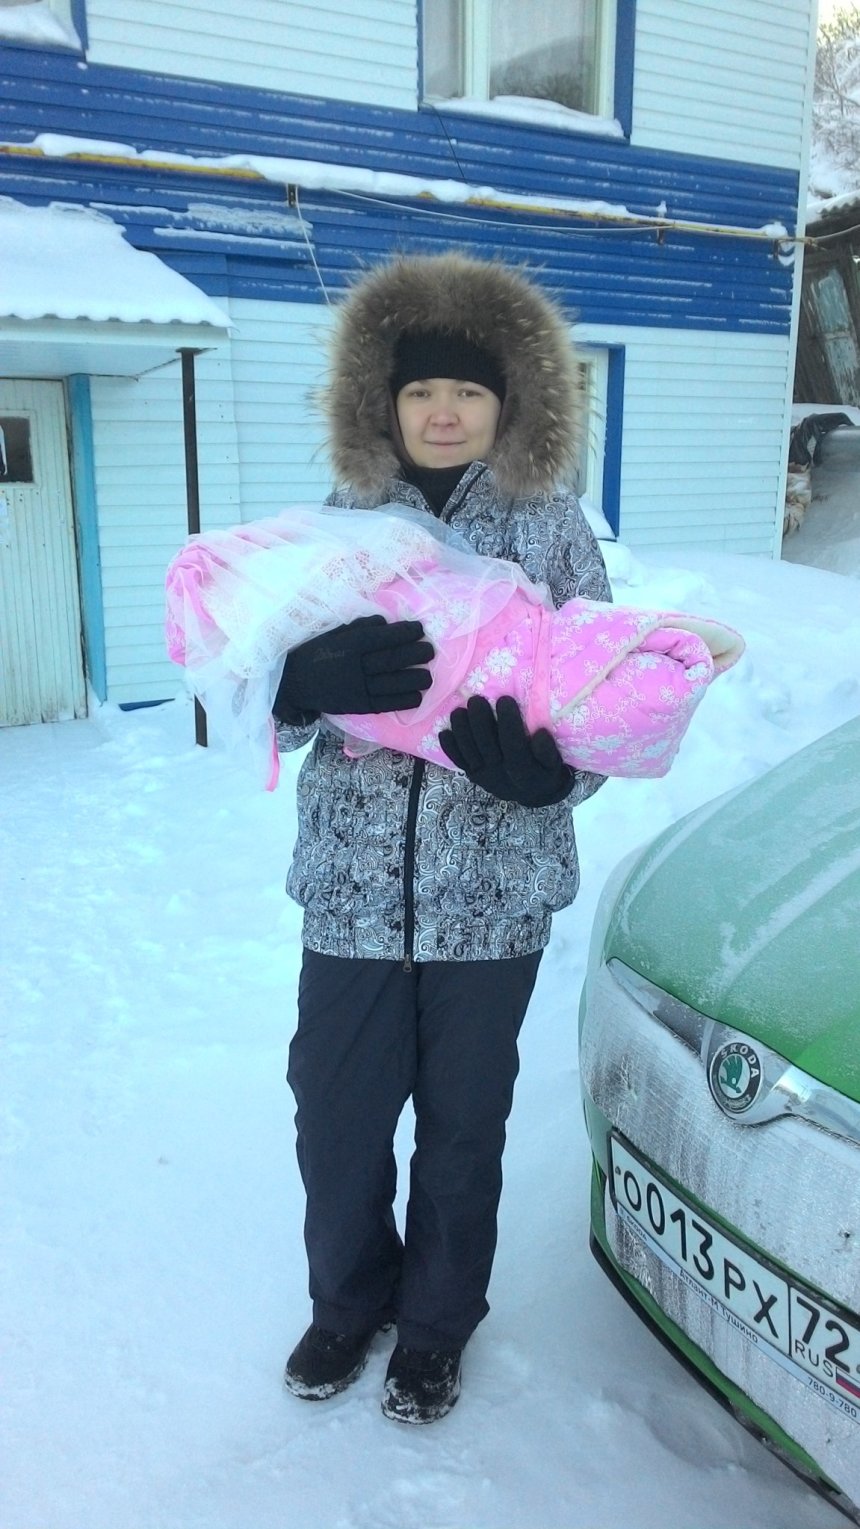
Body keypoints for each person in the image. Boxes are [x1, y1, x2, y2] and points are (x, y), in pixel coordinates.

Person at [273, 251, 612, 1425]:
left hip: (493, 898)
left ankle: (432, 1327)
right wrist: (290, 682)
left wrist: (551, 780)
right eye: (421, 390)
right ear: (386, 400)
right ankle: (346, 1300)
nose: (444, 409)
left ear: (506, 401)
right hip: (351, 893)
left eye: (467, 390)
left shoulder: (552, 530)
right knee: (336, 1112)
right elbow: (235, 678)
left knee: (463, 1130)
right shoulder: (339, 526)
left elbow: (607, 700)